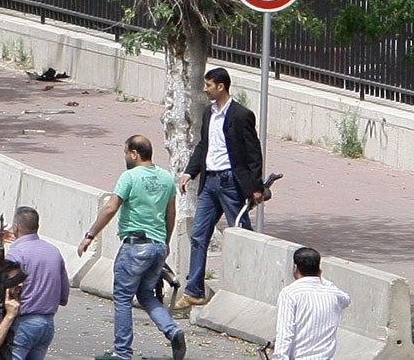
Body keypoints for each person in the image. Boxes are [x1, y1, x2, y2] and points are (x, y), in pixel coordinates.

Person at [78, 135, 186, 360]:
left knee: (123, 297)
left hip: (135, 246)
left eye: (126, 152)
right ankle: (172, 330)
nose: (125, 157)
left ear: (135, 154)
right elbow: (171, 213)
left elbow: (110, 208)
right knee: (146, 294)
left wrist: (90, 235)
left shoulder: (129, 177)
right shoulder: (166, 178)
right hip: (157, 246)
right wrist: (165, 243)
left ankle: (122, 352)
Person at [179, 66, 264, 306]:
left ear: (221, 86)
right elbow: (203, 146)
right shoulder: (208, 114)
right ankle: (194, 290)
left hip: (231, 184)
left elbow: (253, 153)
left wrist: (255, 187)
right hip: (209, 183)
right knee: (198, 235)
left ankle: (247, 287)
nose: (205, 89)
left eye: (208, 85)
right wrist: (189, 172)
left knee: (241, 234)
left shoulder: (241, 115)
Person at [2, 206, 66, 360]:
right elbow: (63, 296)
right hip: (47, 324)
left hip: (23, 322)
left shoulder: (16, 253)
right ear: (37, 226)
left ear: (16, 227)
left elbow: (5, 292)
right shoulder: (54, 251)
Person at [273, 246, 348, 360]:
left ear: (295, 267)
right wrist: (319, 278)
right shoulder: (333, 293)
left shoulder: (290, 293)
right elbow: (346, 299)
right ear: (319, 269)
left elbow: (285, 334)